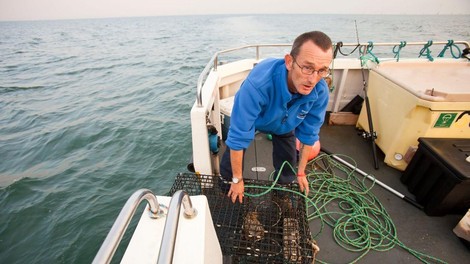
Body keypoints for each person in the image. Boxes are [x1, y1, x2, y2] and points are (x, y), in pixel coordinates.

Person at [220, 31, 333, 203]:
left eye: (321, 70)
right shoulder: (257, 85)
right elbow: (238, 137)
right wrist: (237, 179)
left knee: (288, 164)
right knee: (232, 158)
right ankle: (229, 187)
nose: (313, 79)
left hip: (286, 125)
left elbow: (309, 135)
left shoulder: (320, 91)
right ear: (289, 62)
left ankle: (283, 195)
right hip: (257, 119)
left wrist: (301, 172)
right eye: (307, 67)